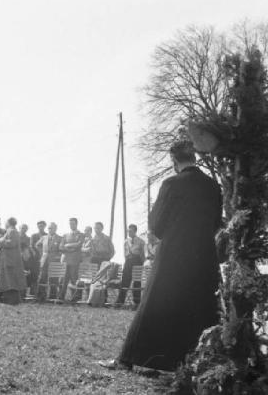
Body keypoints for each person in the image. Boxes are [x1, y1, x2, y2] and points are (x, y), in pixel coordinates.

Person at [100, 140, 222, 371]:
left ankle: (129, 358)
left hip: (174, 253)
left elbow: (156, 224)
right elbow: (217, 222)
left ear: (174, 161)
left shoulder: (171, 183)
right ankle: (196, 360)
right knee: (200, 305)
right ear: (194, 157)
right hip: (203, 255)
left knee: (155, 302)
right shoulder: (213, 186)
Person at [0, 217, 27, 305]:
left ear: (9, 222)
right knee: (8, 281)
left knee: (10, 281)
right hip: (8, 260)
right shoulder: (11, 231)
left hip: (10, 260)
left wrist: (0, 239)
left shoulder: (12, 231)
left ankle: (11, 302)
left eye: (6, 222)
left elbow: (11, 243)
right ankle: (11, 301)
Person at [115, 224, 146, 307]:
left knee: (136, 282)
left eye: (131, 231)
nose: (129, 232)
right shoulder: (126, 241)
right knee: (125, 281)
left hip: (137, 262)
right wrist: (127, 260)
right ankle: (120, 302)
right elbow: (125, 253)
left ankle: (137, 302)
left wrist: (142, 263)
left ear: (135, 231)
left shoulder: (141, 241)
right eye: (128, 231)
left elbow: (143, 254)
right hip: (128, 261)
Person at [58, 218, 84, 301]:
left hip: (75, 261)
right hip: (65, 260)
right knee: (63, 280)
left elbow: (79, 245)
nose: (71, 225)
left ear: (76, 224)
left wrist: (67, 245)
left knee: (74, 279)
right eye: (70, 224)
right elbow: (61, 246)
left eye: (73, 223)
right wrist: (69, 248)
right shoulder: (65, 235)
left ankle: (75, 298)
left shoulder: (81, 235)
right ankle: (61, 297)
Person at [36, 222, 62, 301]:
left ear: (55, 229)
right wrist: (42, 253)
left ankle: (52, 296)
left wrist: (58, 255)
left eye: (52, 228)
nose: (50, 230)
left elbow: (61, 249)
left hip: (54, 261)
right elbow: (37, 245)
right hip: (44, 260)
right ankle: (41, 295)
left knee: (54, 279)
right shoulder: (44, 237)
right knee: (42, 277)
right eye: (49, 228)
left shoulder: (60, 238)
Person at [28, 221, 47, 296]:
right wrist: (35, 253)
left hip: (44, 258)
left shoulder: (47, 235)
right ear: (37, 226)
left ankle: (42, 293)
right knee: (34, 275)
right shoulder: (34, 235)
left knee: (43, 275)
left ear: (44, 226)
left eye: (42, 226)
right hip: (35, 259)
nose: (41, 227)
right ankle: (33, 293)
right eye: (39, 226)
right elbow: (31, 246)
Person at [20, 224, 32, 294]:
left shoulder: (28, 239)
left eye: (25, 228)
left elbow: (27, 254)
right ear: (19, 228)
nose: (23, 230)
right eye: (22, 228)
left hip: (25, 260)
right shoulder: (15, 237)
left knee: (28, 274)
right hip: (15, 259)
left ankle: (25, 293)